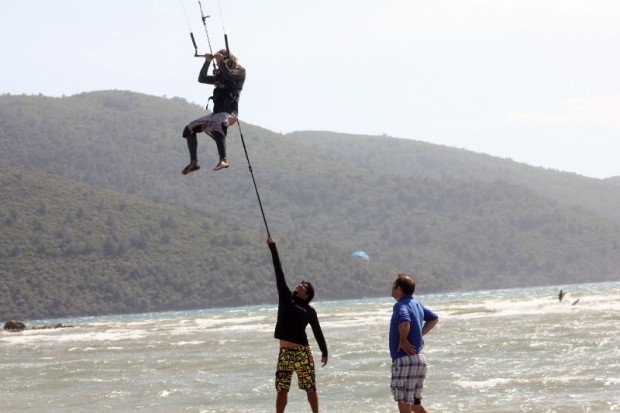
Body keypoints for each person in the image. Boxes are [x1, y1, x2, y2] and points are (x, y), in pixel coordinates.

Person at [266, 235, 328, 413]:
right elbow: (279, 272)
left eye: (304, 286)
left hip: (302, 352)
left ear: (307, 295)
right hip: (285, 352)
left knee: (310, 387)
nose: (300, 285)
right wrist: (273, 248)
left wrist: (324, 351)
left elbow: (317, 331)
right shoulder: (285, 298)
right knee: (282, 388)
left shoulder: (309, 311)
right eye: (300, 284)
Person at [181, 48, 246, 174]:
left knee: (217, 121)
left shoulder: (240, 72)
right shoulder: (219, 76)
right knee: (189, 128)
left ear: (229, 59)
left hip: (230, 113)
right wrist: (207, 61)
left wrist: (221, 62)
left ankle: (223, 159)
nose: (220, 63)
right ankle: (193, 162)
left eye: (223, 60)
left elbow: (230, 77)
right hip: (216, 114)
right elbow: (202, 78)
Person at [390, 273, 439, 413]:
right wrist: (419, 334)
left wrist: (404, 340)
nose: (392, 287)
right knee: (415, 405)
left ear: (399, 289)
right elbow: (434, 318)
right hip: (419, 359)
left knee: (404, 403)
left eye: (394, 285)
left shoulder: (400, 305)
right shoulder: (416, 304)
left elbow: (405, 322)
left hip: (406, 360)